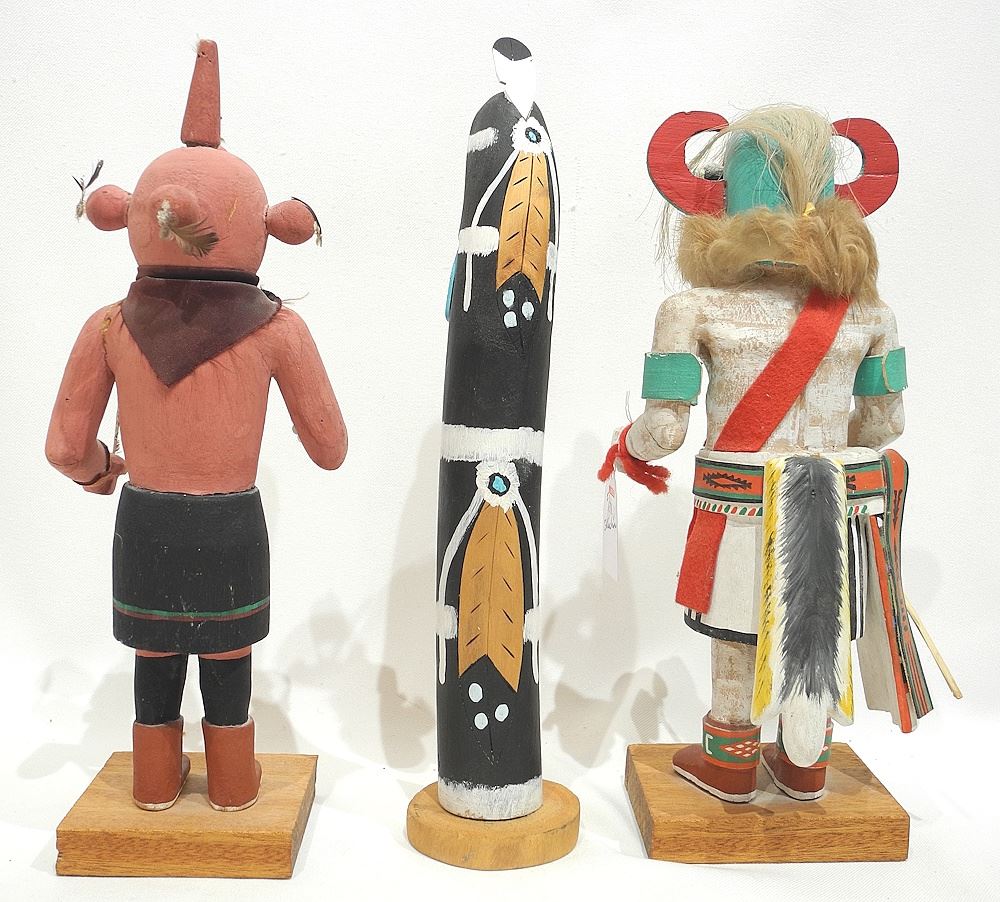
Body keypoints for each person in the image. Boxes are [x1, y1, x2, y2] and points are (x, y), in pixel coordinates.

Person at [45, 40, 346, 812]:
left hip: (145, 520)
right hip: (232, 525)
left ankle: (154, 779)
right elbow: (330, 447)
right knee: (226, 651)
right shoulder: (279, 330)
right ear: (274, 227)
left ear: (124, 215)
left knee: (155, 651)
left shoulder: (109, 326)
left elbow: (65, 447)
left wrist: (101, 471)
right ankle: (234, 783)